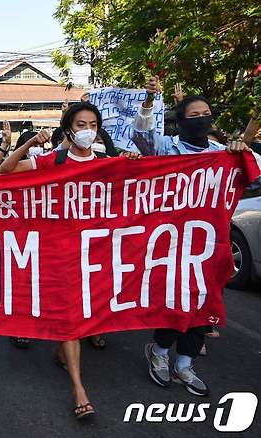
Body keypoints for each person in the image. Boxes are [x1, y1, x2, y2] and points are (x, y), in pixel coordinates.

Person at [0, 102, 140, 420]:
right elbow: (3, 171)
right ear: (68, 130)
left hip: (95, 254)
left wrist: (132, 160)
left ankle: (61, 351)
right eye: (80, 125)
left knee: (79, 316)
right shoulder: (52, 160)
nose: (87, 130)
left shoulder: (106, 163)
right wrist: (30, 143)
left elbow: (141, 185)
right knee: (71, 317)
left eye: (92, 124)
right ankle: (79, 389)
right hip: (59, 255)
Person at [134, 75, 254, 397]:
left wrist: (243, 150)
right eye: (194, 116)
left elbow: (251, 172)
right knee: (175, 302)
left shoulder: (222, 152)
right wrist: (148, 98)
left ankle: (185, 364)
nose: (202, 120)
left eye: (206, 115)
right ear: (180, 121)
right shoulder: (165, 148)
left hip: (209, 245)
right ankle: (159, 352)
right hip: (172, 243)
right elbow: (141, 135)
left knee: (205, 304)